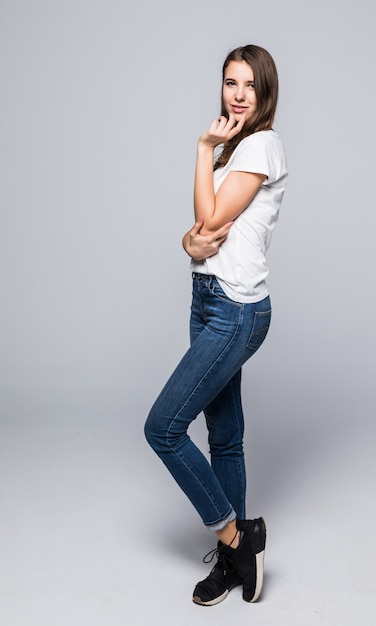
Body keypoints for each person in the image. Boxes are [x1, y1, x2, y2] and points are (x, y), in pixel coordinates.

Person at [145, 44, 288, 606]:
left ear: (265, 93)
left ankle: (236, 538)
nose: (238, 94)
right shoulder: (235, 150)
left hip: (235, 307)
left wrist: (202, 147)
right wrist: (189, 242)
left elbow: (209, 219)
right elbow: (199, 236)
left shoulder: (263, 145)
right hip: (206, 296)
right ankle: (237, 563)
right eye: (231, 82)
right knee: (224, 434)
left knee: (164, 428)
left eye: (250, 85)